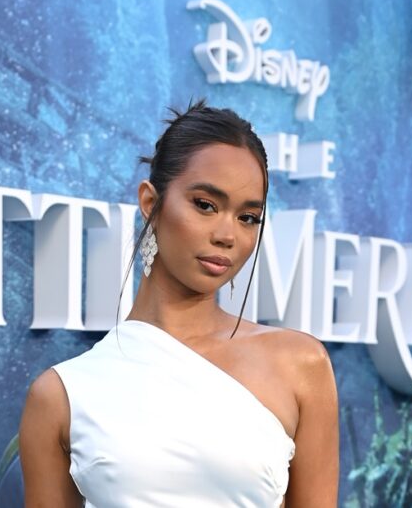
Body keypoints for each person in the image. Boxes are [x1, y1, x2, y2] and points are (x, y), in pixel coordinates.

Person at [18, 100, 339, 507]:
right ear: (151, 203)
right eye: (206, 205)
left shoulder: (299, 366)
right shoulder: (60, 395)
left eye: (248, 217)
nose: (227, 235)